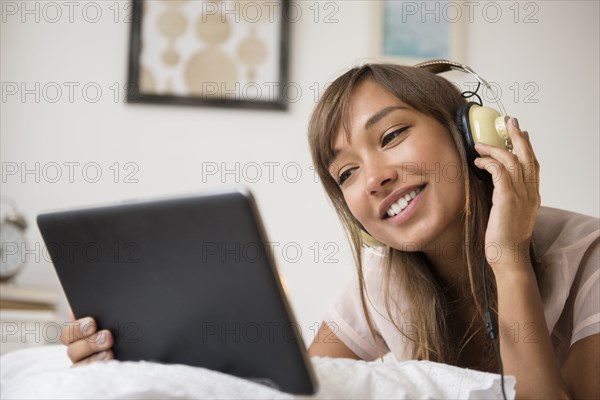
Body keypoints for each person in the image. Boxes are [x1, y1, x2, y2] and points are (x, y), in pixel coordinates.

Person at [60, 63, 599, 398]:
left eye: (391, 136)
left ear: (472, 136)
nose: (375, 178)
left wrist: (508, 257)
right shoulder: (382, 284)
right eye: (346, 172)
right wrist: (130, 357)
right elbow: (287, 387)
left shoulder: (589, 258)